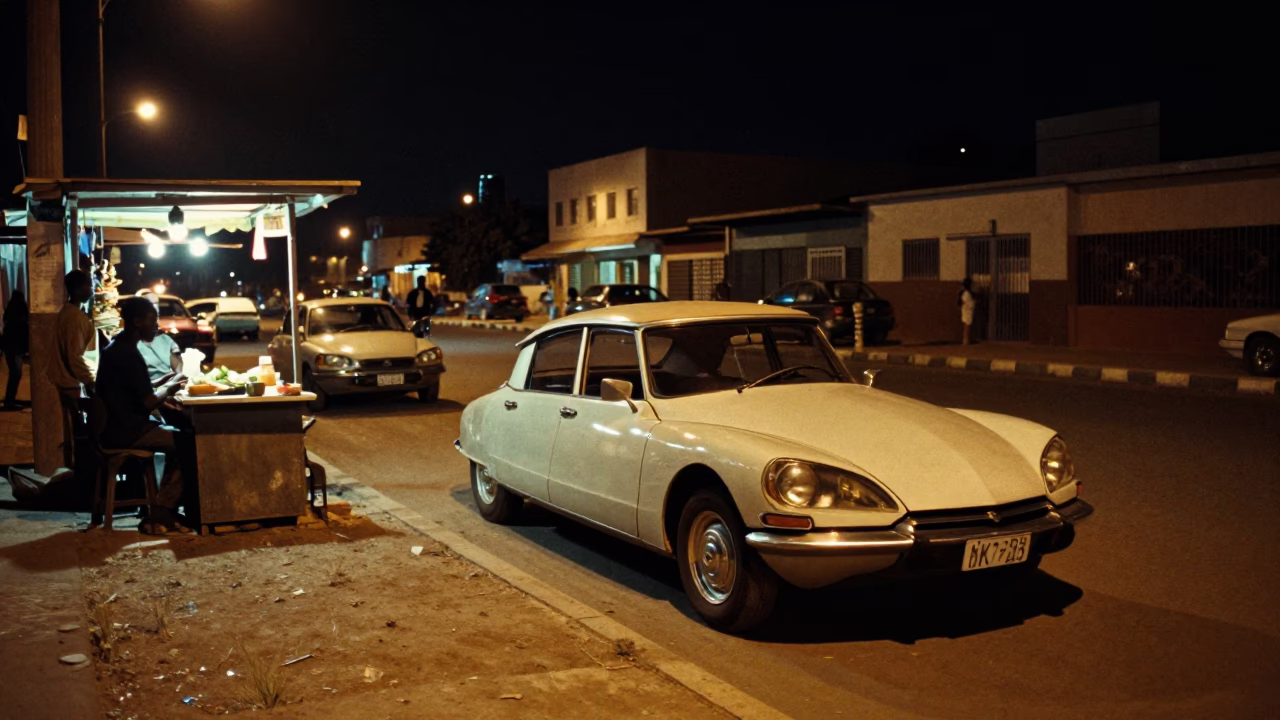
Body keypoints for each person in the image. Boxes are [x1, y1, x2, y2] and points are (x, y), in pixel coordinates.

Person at [97, 297, 191, 534]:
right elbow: (148, 401)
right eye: (153, 321)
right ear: (137, 321)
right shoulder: (126, 354)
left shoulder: (120, 346)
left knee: (182, 435)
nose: (156, 327)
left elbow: (138, 387)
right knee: (189, 443)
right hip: (126, 431)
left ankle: (164, 507)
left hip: (119, 426)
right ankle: (163, 512)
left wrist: (164, 381)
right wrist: (169, 389)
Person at [2, 290, 29, 410]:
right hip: (15, 349)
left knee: (15, 374)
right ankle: (9, 401)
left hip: (10, 348)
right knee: (16, 374)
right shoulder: (20, 314)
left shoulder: (9, 313)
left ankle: (10, 399)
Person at [959, 277, 977, 345]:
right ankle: (965, 340)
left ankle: (966, 339)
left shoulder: (966, 293)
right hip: (967, 310)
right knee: (967, 325)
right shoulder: (966, 293)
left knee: (967, 325)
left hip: (967, 310)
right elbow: (964, 301)